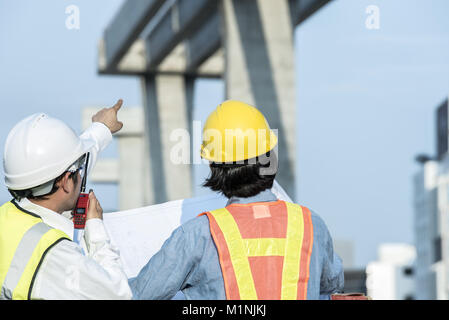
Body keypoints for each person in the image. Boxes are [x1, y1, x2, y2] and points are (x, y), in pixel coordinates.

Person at [129, 100, 343, 300]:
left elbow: (133, 295)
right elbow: (332, 284)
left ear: (214, 166)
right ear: (270, 158)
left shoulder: (199, 235)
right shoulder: (312, 226)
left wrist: (97, 232)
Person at [0, 100, 132, 300]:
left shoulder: (7, 218)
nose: (82, 173)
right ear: (65, 182)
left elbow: (60, 170)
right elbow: (120, 295)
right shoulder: (55, 253)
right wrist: (95, 228)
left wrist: (101, 129)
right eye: (79, 170)